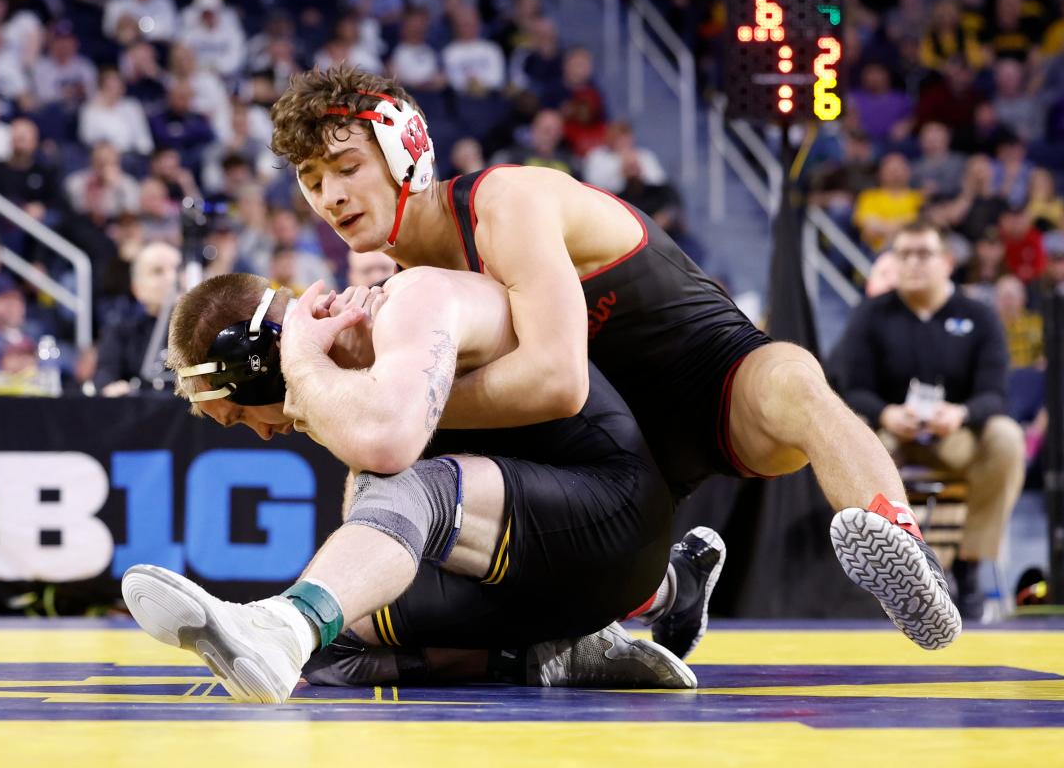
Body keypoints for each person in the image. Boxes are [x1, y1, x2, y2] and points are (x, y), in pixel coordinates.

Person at [265, 68, 962, 650]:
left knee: (793, 380)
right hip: (617, 442)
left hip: (706, 380)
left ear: (406, 150)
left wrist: (404, 402)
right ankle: (671, 586)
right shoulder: (399, 293)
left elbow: (556, 380)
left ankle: (898, 537)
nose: (330, 195)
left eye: (347, 167)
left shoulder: (504, 203)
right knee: (425, 469)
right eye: (310, 178)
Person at [125, 269, 716, 701]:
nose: (259, 434)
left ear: (258, 358)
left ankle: (284, 627)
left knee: (417, 494)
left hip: (616, 513)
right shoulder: (351, 379)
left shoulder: (405, 308)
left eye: (241, 415)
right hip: (545, 553)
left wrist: (304, 364)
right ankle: (553, 657)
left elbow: (391, 457)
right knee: (341, 639)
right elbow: (373, 510)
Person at [835, 221, 1025, 621]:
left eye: (923, 254)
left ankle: (969, 565)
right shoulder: (871, 315)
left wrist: (961, 413)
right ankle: (883, 572)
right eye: (903, 254)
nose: (912, 263)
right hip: (891, 436)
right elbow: (850, 389)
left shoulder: (979, 315)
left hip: (955, 436)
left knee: (1007, 437)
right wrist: (886, 412)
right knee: (849, 445)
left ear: (947, 262)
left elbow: (996, 394)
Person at [94, 241, 181, 396]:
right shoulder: (121, 331)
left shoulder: (207, 329)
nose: (172, 278)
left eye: (178, 269)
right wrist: (113, 388)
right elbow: (105, 377)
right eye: (158, 271)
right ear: (137, 288)